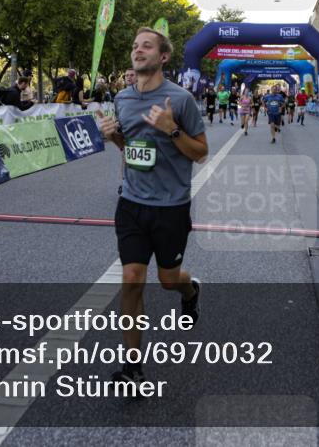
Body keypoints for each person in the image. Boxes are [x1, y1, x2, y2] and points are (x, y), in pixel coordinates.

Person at [94, 27, 207, 387]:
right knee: (131, 279)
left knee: (169, 280)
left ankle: (191, 292)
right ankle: (132, 367)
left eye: (146, 46)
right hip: (131, 202)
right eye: (134, 46)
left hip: (171, 207)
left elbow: (201, 153)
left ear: (163, 56)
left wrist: (172, 129)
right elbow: (130, 150)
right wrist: (113, 137)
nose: (137, 51)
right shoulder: (122, 99)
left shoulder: (181, 99)